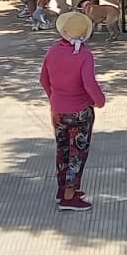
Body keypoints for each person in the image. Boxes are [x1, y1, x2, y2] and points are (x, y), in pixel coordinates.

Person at [41, 12, 107, 211]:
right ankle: (70, 196)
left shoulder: (53, 50)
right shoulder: (85, 55)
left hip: (58, 110)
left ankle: (62, 189)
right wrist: (99, 101)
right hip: (79, 111)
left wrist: (54, 97)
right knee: (77, 152)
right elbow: (89, 83)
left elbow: (43, 79)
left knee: (62, 150)